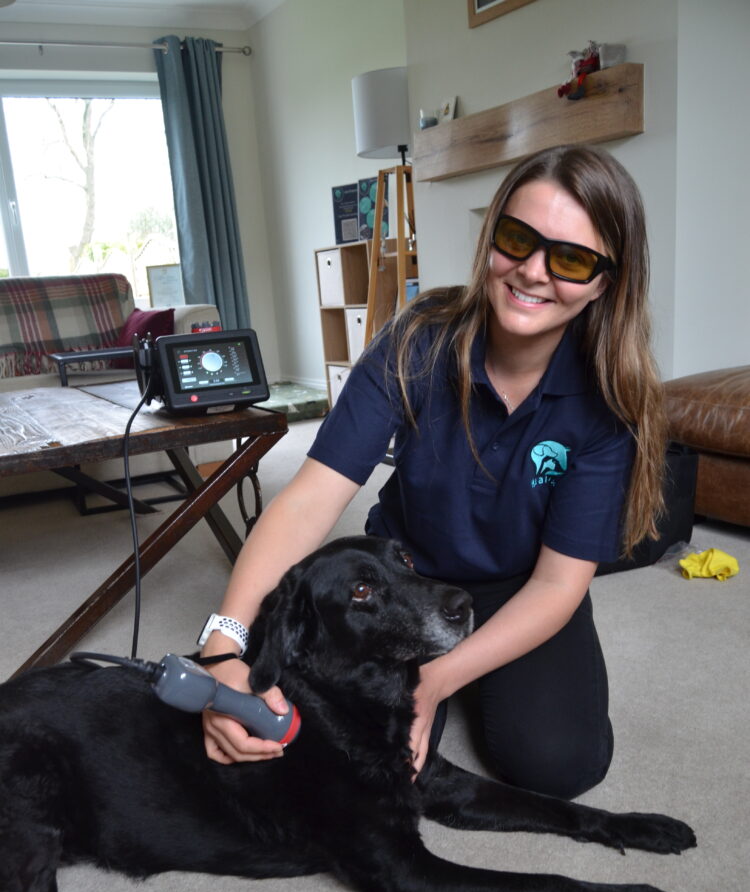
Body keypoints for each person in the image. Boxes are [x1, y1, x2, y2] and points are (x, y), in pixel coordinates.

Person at [199, 143, 666, 799]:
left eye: (570, 260)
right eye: (517, 239)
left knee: (559, 766)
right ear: (492, 233)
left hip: (522, 584)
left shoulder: (607, 403)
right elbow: (308, 501)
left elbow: (558, 583)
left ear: (605, 282)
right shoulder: (416, 339)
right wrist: (223, 647)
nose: (532, 272)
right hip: (404, 574)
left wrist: (434, 680)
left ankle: (475, 666)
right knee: (330, 753)